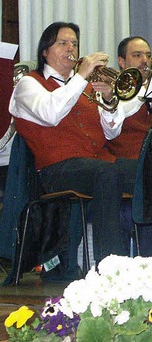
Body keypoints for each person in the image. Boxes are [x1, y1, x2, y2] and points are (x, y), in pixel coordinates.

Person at [9, 21, 137, 265]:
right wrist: (80, 77)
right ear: (45, 51)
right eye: (63, 43)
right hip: (56, 169)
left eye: (75, 44)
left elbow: (111, 133)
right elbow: (50, 113)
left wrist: (109, 101)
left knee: (149, 169)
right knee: (107, 174)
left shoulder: (87, 88)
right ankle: (111, 267)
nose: (71, 49)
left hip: (96, 164)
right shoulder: (29, 84)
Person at [108, 36, 152, 256]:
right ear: (121, 61)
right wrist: (140, 92)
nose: (145, 61)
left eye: (148, 55)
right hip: (125, 163)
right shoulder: (111, 92)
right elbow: (113, 123)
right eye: (137, 55)